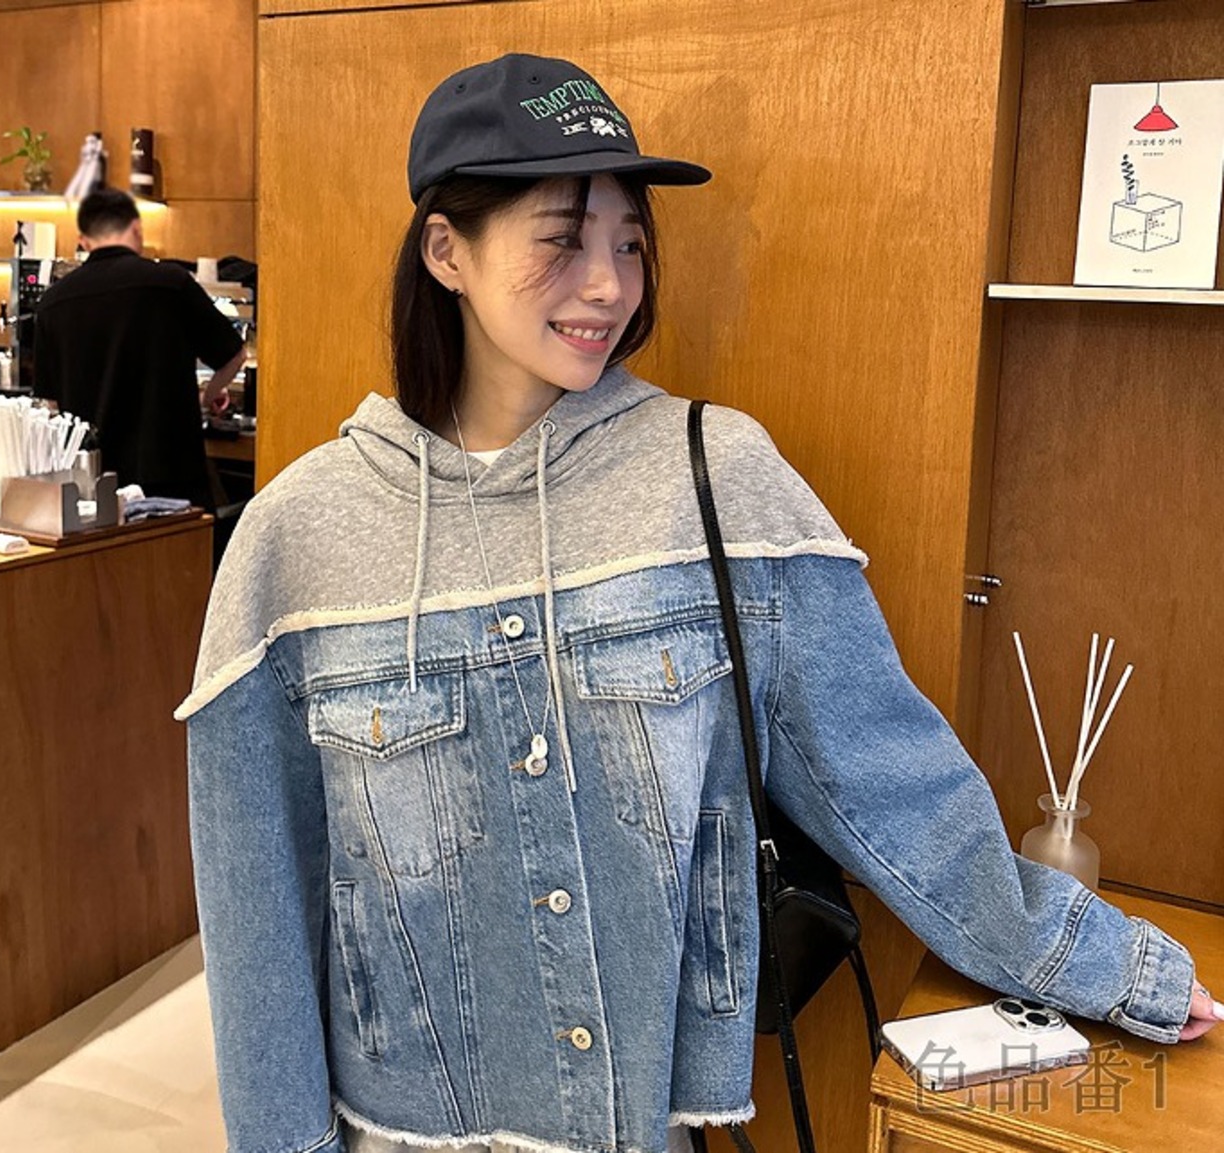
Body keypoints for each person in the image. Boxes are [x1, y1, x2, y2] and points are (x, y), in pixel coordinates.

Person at [179, 54, 1221, 1153]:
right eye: (562, 239)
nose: (608, 285)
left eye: (629, 243)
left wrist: (1115, 968)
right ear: (447, 250)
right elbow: (258, 918)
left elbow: (892, 787)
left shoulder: (716, 479)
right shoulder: (294, 542)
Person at [34, 187, 247, 509]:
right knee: (182, 544)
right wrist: (205, 398)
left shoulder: (52, 302)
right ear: (136, 229)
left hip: (91, 485)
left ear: (83, 241)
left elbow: (50, 403)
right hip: (171, 477)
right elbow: (235, 354)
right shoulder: (172, 283)